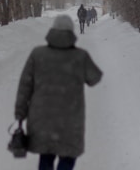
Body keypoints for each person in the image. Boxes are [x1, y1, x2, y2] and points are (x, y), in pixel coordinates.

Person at [14, 14, 103, 170]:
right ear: (71, 32)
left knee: (46, 155)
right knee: (67, 157)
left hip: (42, 118)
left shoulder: (37, 54)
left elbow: (24, 87)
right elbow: (94, 78)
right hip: (70, 120)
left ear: (52, 30)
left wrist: (20, 114)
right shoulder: (80, 56)